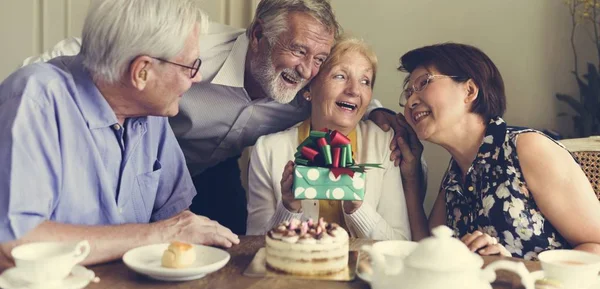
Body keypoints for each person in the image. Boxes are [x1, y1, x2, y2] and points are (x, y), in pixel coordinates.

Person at [22, 0, 406, 235]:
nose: (308, 70)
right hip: (148, 158)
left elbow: (344, 92)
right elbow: (88, 50)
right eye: (298, 51)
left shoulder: (304, 86)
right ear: (257, 35)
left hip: (211, 172)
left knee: (226, 249)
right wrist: (29, 96)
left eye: (319, 60)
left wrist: (382, 113)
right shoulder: (192, 51)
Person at [0, 0, 239, 270]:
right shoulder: (35, 99)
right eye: (190, 66)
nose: (196, 78)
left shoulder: (152, 111)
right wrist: (157, 235)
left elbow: (175, 220)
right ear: (142, 71)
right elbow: (12, 244)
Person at [394, 42, 600, 260]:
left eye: (424, 83)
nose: (411, 101)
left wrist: (518, 271)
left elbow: (596, 245)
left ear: (470, 90)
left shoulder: (527, 148)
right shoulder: (455, 177)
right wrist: (411, 177)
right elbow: (428, 251)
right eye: (408, 94)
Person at [246, 37, 425, 240]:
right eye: (340, 76)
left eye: (365, 81)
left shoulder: (384, 142)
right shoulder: (267, 150)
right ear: (309, 88)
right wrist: (289, 207)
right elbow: (254, 247)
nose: (354, 90)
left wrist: (357, 207)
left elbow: (399, 245)